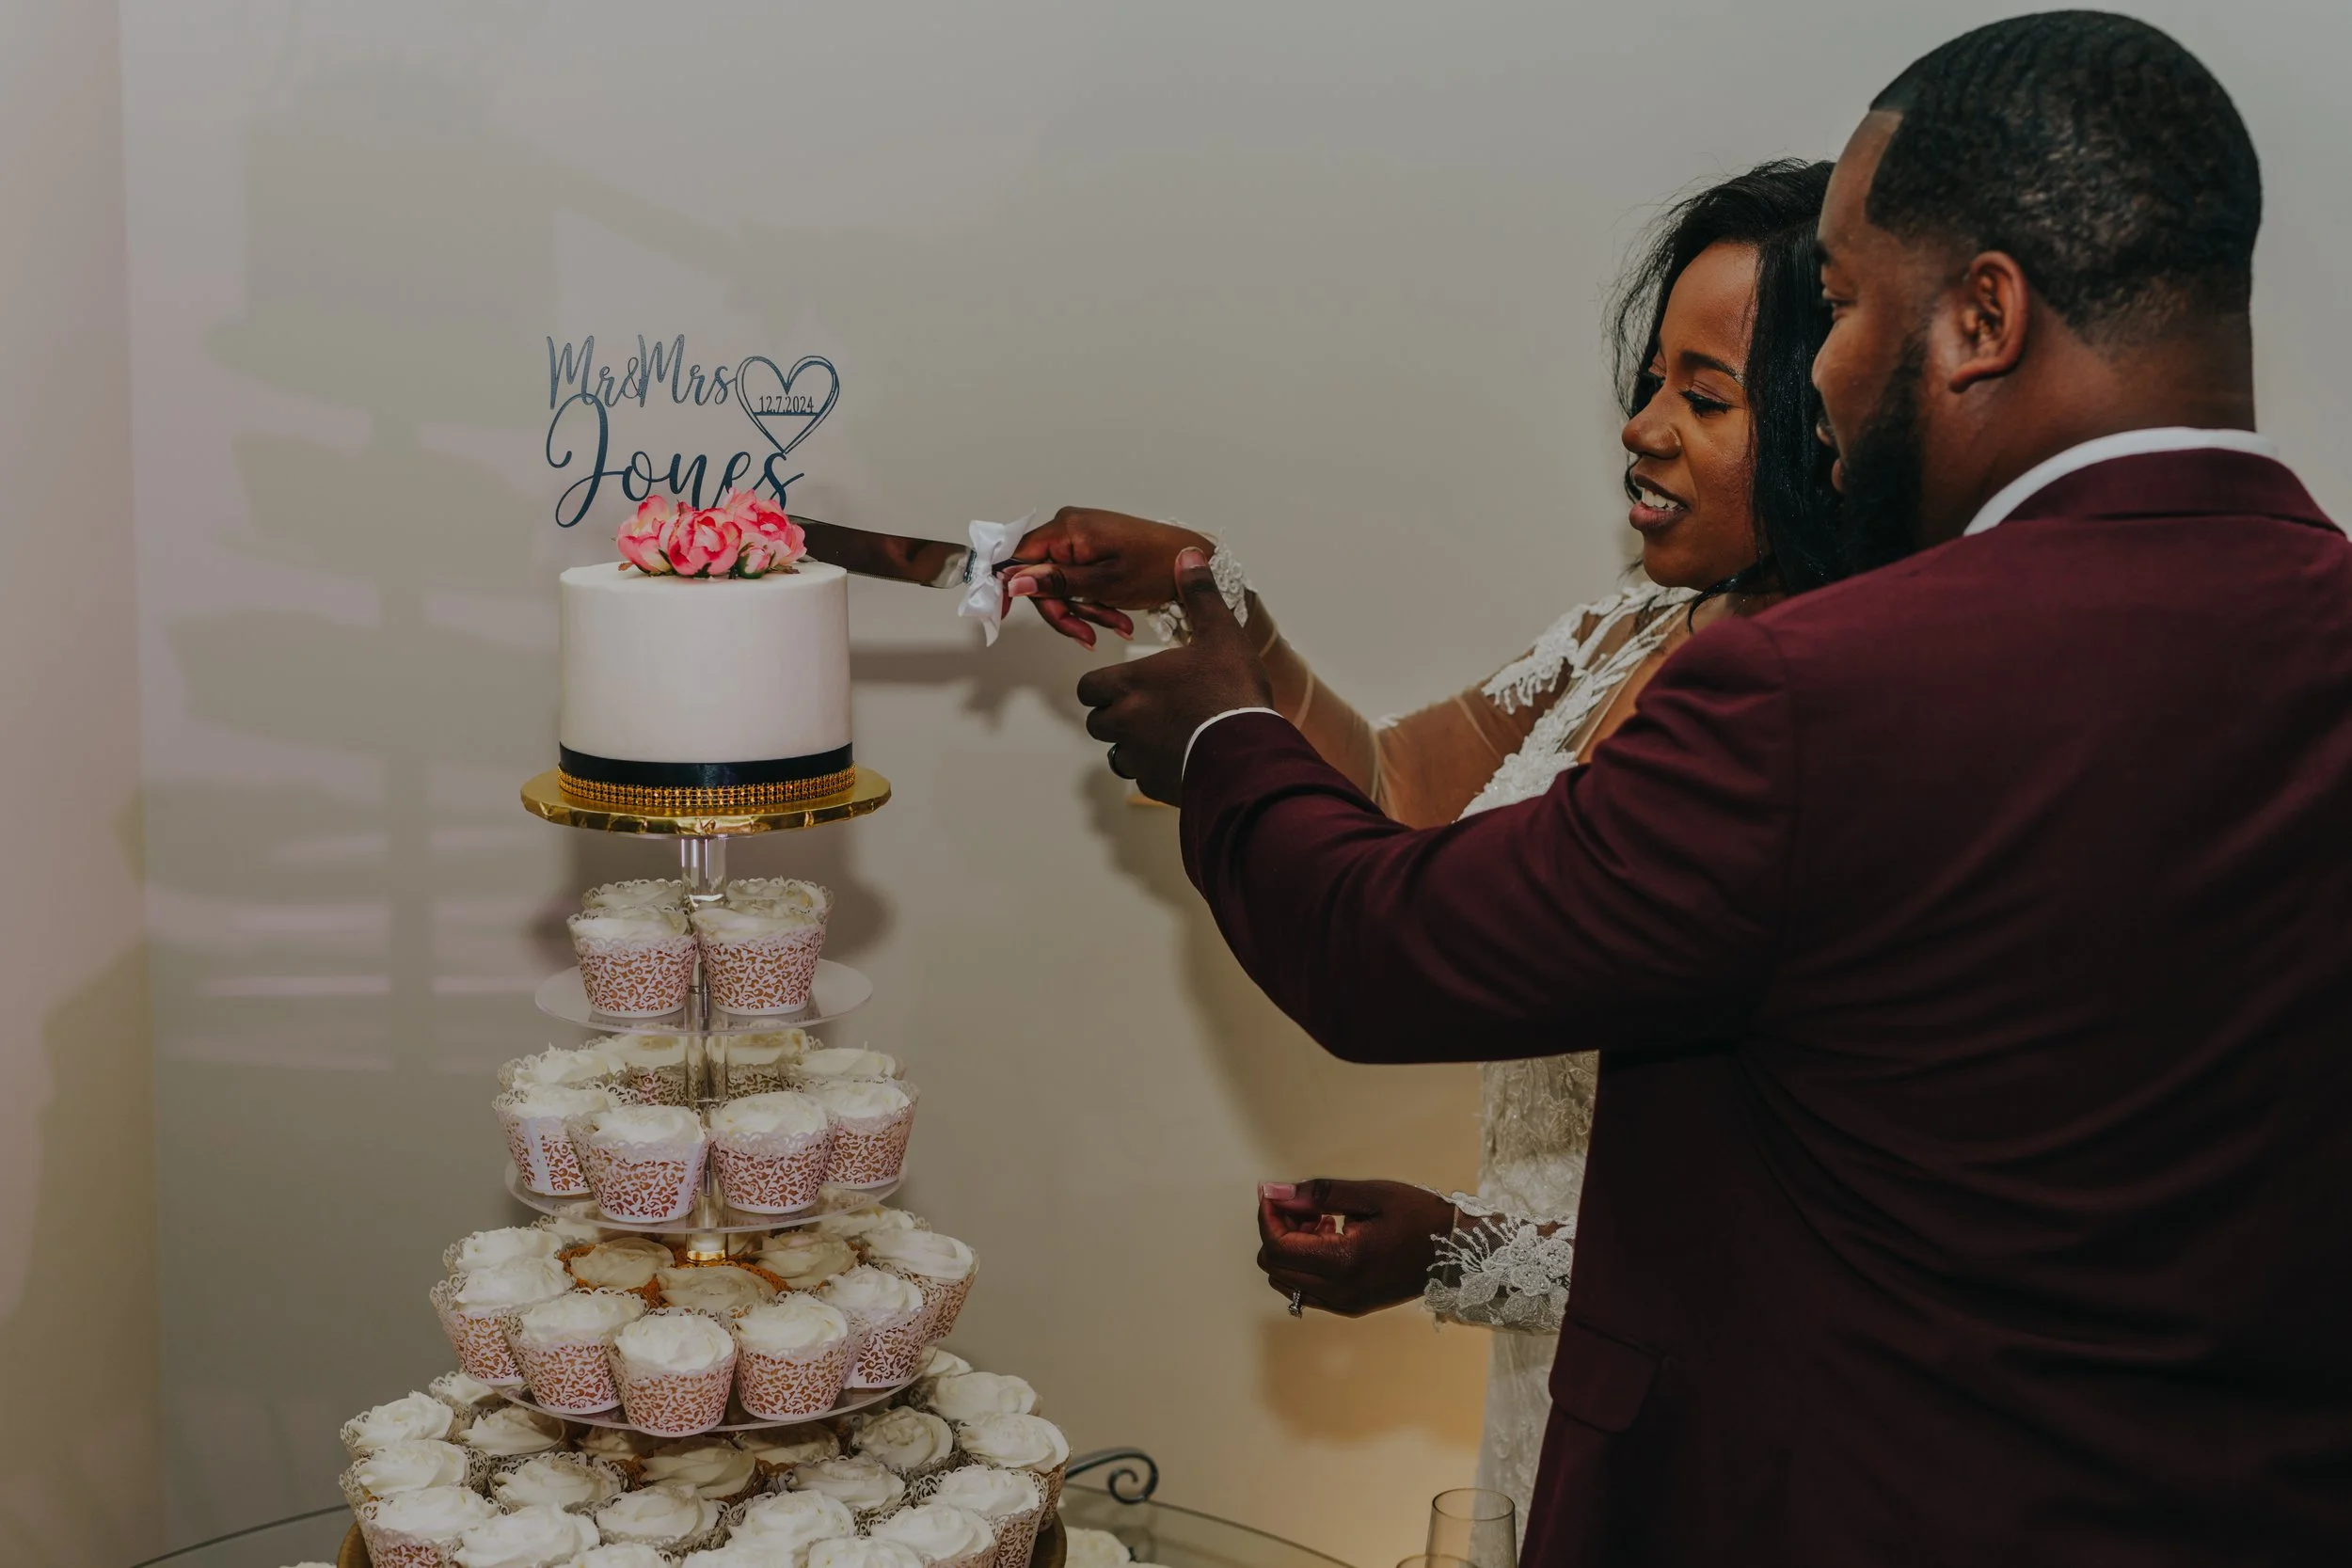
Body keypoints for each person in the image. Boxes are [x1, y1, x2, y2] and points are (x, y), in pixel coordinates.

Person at [1072, 13, 2352, 1564]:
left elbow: (1381, 943)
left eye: (1855, 303)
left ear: (1985, 316)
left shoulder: (1831, 689)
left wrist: (1220, 740)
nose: (1829, 365)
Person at [1003, 163, 1840, 1523]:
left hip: (1718, 1425)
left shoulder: (1797, 720)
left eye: (1706, 397)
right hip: (1558, 1382)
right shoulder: (1625, 630)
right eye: (1647, 382)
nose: (1642, 429)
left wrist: (1468, 1253)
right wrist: (1206, 598)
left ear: (1830, 416)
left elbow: (1770, 1230)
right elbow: (1391, 787)